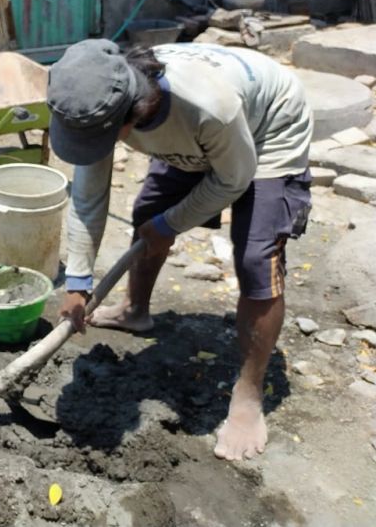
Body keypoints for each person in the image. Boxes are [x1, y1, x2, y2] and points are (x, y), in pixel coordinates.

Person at [49, 40, 312, 461]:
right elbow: (87, 196)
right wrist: (79, 280)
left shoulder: (209, 107)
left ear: (130, 118)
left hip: (269, 128)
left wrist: (170, 225)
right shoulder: (99, 97)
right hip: (202, 135)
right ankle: (136, 311)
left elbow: (233, 180)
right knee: (147, 215)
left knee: (255, 258)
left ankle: (248, 395)